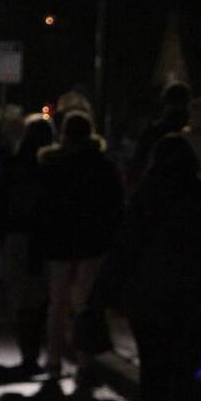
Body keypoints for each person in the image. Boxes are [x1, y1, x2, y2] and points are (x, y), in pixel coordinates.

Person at [86, 135, 201, 401]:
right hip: (192, 296)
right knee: (185, 365)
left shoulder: (146, 197)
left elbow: (125, 249)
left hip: (149, 297)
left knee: (154, 366)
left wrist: (101, 297)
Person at [35, 111, 123, 383]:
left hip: (59, 243)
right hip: (91, 242)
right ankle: (84, 359)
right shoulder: (102, 166)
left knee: (57, 304)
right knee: (85, 303)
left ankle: (54, 360)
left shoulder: (52, 165)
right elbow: (114, 207)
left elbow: (42, 206)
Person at [0, 114, 56, 374]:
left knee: (21, 296)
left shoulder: (14, 164)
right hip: (47, 236)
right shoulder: (53, 166)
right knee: (44, 295)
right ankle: (43, 347)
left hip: (17, 234)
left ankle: (27, 353)